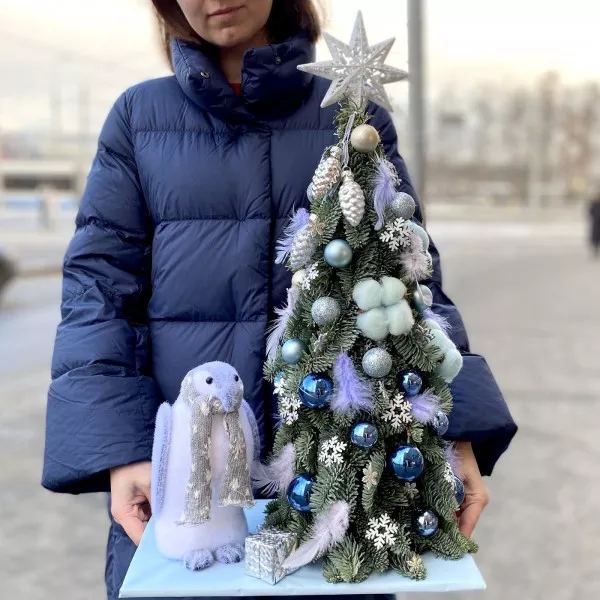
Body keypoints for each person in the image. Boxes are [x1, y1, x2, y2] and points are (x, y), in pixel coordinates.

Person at [42, 2, 517, 599]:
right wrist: (124, 450)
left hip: (340, 492)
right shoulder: (140, 118)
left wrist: (454, 430)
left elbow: (412, 283)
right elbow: (97, 291)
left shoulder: (353, 113)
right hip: (188, 496)